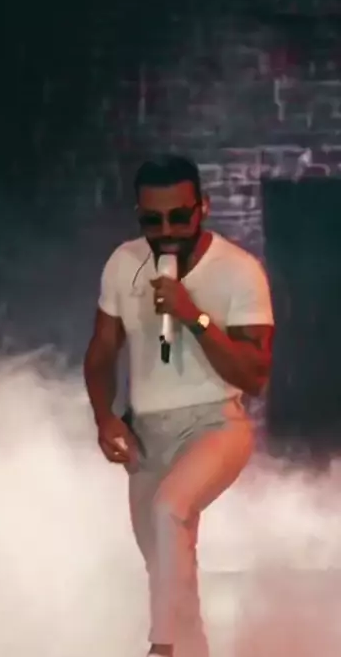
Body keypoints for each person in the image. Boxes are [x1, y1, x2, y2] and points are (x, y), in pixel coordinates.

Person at [83, 154, 274, 657]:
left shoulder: (238, 270)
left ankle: (161, 650)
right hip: (148, 434)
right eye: (152, 220)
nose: (166, 231)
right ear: (139, 215)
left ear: (202, 207)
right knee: (167, 571)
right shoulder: (124, 263)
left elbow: (255, 375)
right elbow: (101, 353)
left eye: (178, 217)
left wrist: (195, 316)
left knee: (171, 509)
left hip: (216, 425)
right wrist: (105, 418)